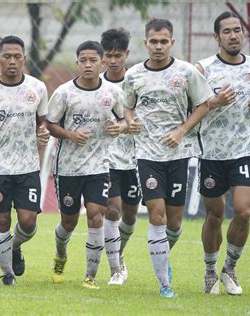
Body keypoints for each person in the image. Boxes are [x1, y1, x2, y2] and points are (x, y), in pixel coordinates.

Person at [123, 19, 213, 298]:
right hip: (147, 154)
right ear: (145, 43)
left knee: (174, 223)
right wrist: (131, 120)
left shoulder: (186, 72)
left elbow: (204, 104)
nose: (158, 46)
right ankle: (164, 283)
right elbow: (126, 107)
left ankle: (164, 258)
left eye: (164, 41)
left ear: (171, 42)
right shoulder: (134, 75)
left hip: (178, 154)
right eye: (153, 41)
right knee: (157, 215)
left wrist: (182, 130)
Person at [0, 35, 50, 286]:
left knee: (28, 222)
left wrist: (43, 130)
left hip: (27, 167)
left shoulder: (37, 88)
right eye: (7, 56)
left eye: (17, 57)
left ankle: (14, 247)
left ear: (24, 59)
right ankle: (7, 274)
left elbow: (43, 122)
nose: (12, 61)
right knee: (2, 220)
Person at [47, 41, 126, 289]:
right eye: (84, 60)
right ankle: (60, 253)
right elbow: (50, 125)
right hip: (68, 169)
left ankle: (90, 276)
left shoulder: (112, 93)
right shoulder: (63, 93)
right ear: (77, 62)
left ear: (102, 62)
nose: (88, 65)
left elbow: (125, 119)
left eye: (93, 60)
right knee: (68, 222)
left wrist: (119, 127)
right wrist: (70, 135)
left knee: (95, 216)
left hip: (99, 166)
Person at [196, 11, 250, 296]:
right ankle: (209, 272)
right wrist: (214, 102)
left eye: (237, 30)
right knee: (214, 215)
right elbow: (190, 111)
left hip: (244, 150)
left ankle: (229, 269)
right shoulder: (203, 69)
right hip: (212, 154)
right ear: (216, 37)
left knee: (243, 211)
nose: (234, 36)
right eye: (227, 31)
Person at [100, 27, 141, 285]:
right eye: (109, 55)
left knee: (130, 214)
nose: (113, 60)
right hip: (104, 159)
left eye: (118, 55)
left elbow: (140, 118)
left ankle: (119, 253)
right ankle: (116, 268)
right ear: (103, 56)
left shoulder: (136, 81)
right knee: (112, 210)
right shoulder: (96, 83)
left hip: (135, 158)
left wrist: (126, 125)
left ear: (126, 54)